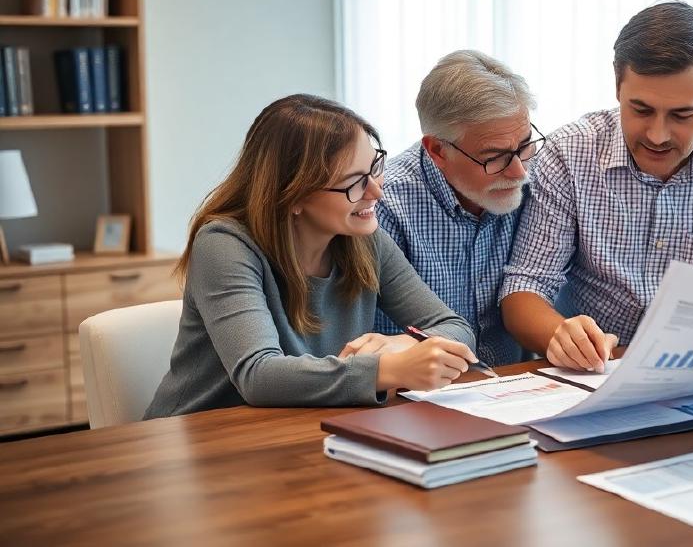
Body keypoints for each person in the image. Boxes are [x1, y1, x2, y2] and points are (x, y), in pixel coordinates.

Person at [145, 94, 479, 419]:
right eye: (354, 182)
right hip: (201, 437)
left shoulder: (365, 240)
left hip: (297, 428)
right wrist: (388, 369)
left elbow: (454, 327)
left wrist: (401, 346)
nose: (377, 191)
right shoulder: (223, 244)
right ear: (293, 196)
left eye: (374, 167)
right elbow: (258, 375)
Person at [501, 1, 693, 371]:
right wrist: (561, 335)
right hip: (594, 369)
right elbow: (524, 289)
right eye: (641, 110)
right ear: (617, 85)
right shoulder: (569, 152)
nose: (657, 135)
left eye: (682, 115)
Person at [371, 50, 539, 366]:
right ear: (437, 150)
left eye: (525, 145)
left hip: (514, 387)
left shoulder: (536, 179)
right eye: (494, 156)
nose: (519, 171)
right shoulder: (384, 206)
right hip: (411, 398)